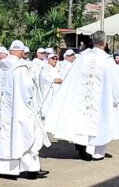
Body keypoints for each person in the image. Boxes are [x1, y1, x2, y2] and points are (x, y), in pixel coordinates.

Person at [0, 40, 50, 179]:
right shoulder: (20, 68)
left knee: (3, 137)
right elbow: (27, 89)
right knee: (26, 134)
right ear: (21, 52)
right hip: (18, 108)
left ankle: (1, 169)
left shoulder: (0, 66)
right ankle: (31, 169)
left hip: (1, 111)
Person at [45, 31, 119, 161]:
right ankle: (94, 152)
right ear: (104, 42)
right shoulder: (107, 60)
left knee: (82, 119)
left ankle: (83, 145)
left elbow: (71, 78)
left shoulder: (82, 57)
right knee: (99, 122)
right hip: (100, 100)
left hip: (81, 98)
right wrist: (115, 99)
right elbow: (115, 82)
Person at [38, 53, 62, 120]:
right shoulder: (45, 68)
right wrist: (55, 80)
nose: (55, 60)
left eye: (56, 59)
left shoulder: (57, 69)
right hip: (48, 95)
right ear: (48, 59)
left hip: (57, 94)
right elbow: (44, 79)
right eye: (53, 58)